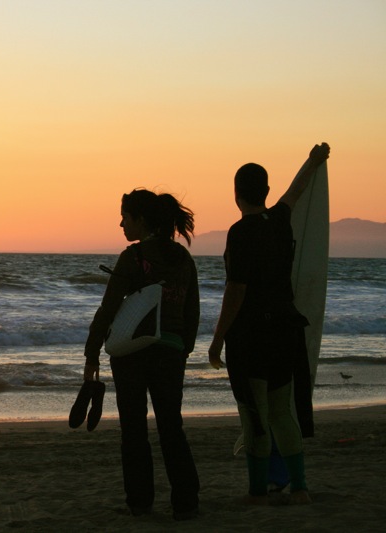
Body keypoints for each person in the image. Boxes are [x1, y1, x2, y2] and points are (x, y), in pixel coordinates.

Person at [208, 142, 331, 506]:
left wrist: (218, 338)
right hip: (285, 331)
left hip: (252, 336)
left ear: (236, 194)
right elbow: (296, 191)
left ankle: (258, 491)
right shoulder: (279, 220)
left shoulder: (240, 232)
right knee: (280, 412)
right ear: (266, 191)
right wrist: (313, 161)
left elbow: (237, 289)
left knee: (254, 415)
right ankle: (300, 487)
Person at [83, 189, 201, 520]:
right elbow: (192, 311)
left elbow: (108, 310)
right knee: (171, 427)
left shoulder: (133, 257)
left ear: (141, 220)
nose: (121, 224)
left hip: (132, 354)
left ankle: (140, 502)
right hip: (171, 353)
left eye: (125, 217)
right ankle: (186, 503)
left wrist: (91, 354)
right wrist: (184, 349)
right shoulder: (183, 259)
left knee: (134, 429)